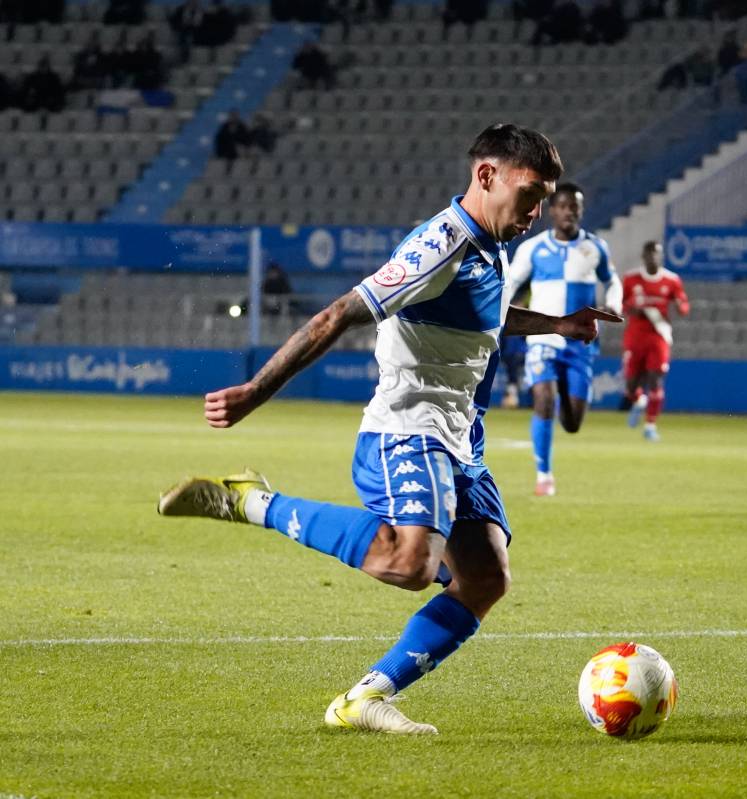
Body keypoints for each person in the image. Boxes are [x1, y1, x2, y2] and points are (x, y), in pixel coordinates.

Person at [157, 124, 622, 735]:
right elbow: (337, 314)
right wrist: (254, 391)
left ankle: (364, 699)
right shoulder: (440, 245)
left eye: (544, 199)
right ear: (486, 176)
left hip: (460, 437)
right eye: (530, 194)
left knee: (485, 578)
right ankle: (252, 502)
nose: (536, 212)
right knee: (409, 563)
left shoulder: (490, 242)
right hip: (410, 427)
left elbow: (482, 313)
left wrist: (556, 325)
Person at [503, 182, 621, 497]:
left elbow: (613, 282)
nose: (569, 212)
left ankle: (559, 404)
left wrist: (614, 304)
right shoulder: (533, 249)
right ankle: (544, 476)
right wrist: (499, 311)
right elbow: (509, 285)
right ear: (552, 211)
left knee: (572, 423)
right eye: (564, 206)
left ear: (581, 211)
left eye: (575, 207)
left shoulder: (595, 247)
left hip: (580, 344)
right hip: (543, 339)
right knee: (543, 398)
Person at [618, 240, 689, 441]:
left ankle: (650, 425)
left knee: (655, 380)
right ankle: (639, 401)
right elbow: (620, 304)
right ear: (643, 257)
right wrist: (631, 308)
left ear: (661, 256)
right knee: (630, 386)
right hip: (635, 336)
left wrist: (681, 307)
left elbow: (684, 305)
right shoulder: (631, 278)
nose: (653, 258)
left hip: (659, 335)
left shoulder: (672, 280)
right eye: (650, 254)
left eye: (656, 254)